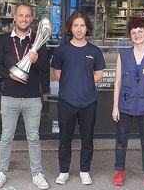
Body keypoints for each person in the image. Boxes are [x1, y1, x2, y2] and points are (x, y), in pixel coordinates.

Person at [0, 3, 50, 189]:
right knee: (6, 137)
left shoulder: (38, 40)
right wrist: (9, 74)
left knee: (33, 137)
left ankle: (37, 173)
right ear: (14, 17)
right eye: (20, 15)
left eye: (27, 16)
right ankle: (1, 172)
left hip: (32, 97)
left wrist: (37, 59)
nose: (24, 19)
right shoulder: (3, 40)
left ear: (32, 19)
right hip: (9, 96)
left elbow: (45, 69)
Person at [51, 10, 106, 185]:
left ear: (87, 28)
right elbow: (57, 75)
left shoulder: (94, 51)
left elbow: (99, 75)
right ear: (70, 28)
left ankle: (84, 171)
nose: (79, 29)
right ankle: (63, 171)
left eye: (82, 25)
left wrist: (84, 83)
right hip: (67, 101)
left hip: (88, 102)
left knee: (87, 139)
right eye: (76, 25)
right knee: (64, 140)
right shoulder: (61, 50)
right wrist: (73, 83)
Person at [112, 16, 144, 189]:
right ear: (130, 35)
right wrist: (115, 106)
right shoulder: (123, 56)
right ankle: (119, 171)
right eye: (133, 32)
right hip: (125, 105)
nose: (137, 35)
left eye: (140, 32)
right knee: (121, 141)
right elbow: (117, 82)